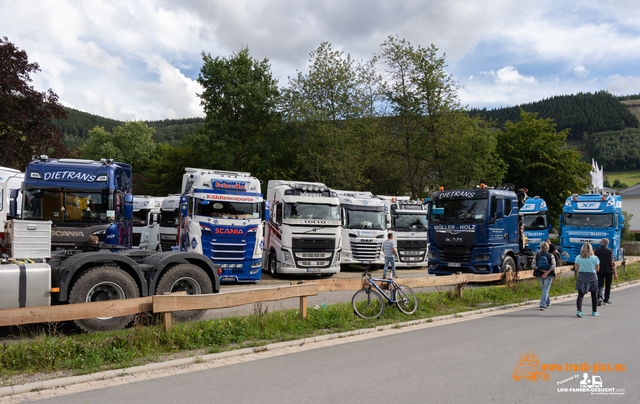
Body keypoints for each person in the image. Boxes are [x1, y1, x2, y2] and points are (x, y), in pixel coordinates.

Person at [574, 243, 600, 318]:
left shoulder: (578, 257)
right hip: (592, 276)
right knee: (594, 295)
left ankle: (579, 310)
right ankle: (594, 311)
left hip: (581, 276)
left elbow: (576, 269)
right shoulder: (595, 258)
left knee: (580, 295)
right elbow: (597, 269)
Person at [532, 241, 556, 310]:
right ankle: (543, 304)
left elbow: (533, 265)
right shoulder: (551, 255)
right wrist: (547, 272)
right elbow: (553, 265)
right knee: (545, 289)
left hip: (539, 274)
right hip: (549, 274)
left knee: (544, 288)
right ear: (548, 248)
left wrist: (542, 271)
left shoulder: (537, 255)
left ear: (541, 248)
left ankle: (547, 303)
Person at [594, 238, 618, 305]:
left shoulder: (596, 250)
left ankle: (599, 297)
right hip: (608, 270)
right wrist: (615, 273)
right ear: (607, 243)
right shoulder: (610, 251)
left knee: (600, 285)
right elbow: (612, 263)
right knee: (608, 285)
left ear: (601, 243)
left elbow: (594, 260)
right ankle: (606, 299)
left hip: (599, 270)